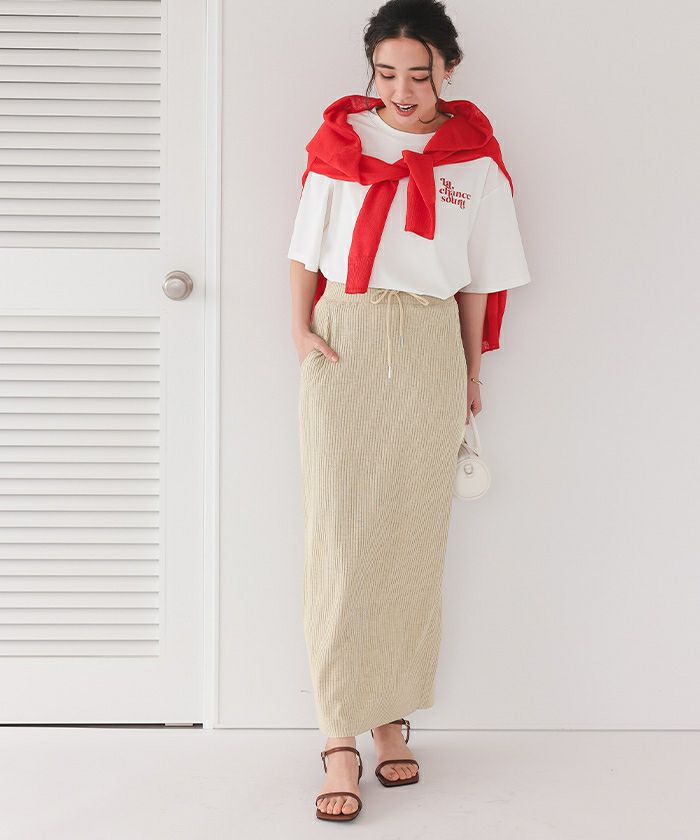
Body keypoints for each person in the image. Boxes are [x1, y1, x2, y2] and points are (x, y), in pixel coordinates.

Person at [287, 0, 532, 822]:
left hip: (428, 343)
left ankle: (390, 718)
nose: (400, 89)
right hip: (345, 336)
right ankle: (337, 734)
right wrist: (300, 332)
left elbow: (479, 279)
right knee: (339, 536)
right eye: (385, 73)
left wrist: (470, 370)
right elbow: (304, 249)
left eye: (418, 75)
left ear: (447, 72)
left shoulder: (475, 162)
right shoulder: (340, 144)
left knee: (411, 537)